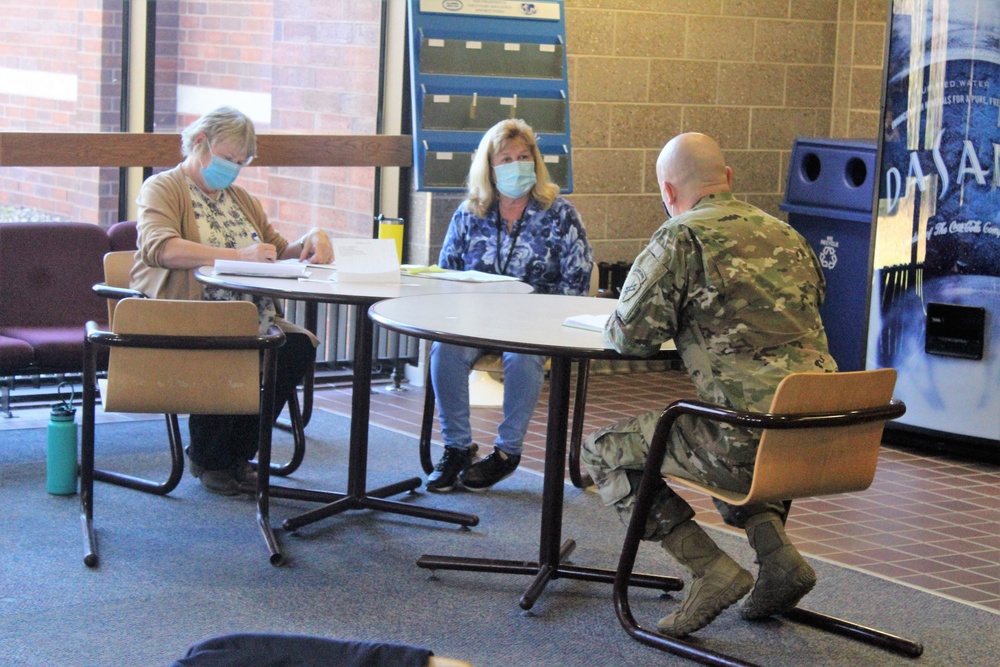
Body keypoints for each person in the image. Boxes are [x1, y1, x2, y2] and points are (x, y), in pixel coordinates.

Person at [581, 133, 837, 637]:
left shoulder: (680, 236)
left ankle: (710, 570)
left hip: (745, 437)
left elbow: (629, 339)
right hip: (819, 434)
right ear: (729, 179)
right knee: (719, 423)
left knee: (601, 452)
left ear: (668, 193)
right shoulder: (790, 236)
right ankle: (778, 557)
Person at [131, 106, 333, 496]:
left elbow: (277, 250)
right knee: (230, 345)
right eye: (227, 159)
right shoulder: (163, 188)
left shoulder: (239, 198)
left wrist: (312, 237)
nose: (233, 169)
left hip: (248, 319)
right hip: (189, 316)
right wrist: (238, 256)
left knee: (296, 347)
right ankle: (210, 458)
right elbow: (160, 248)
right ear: (201, 143)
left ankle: (236, 454)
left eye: (240, 162)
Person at [426, 118, 593, 493]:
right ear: (489, 167)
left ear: (536, 162)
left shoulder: (560, 214)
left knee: (522, 357)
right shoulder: (470, 213)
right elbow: (445, 275)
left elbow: (577, 280)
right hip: (476, 321)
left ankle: (507, 452)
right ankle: (456, 447)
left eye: (523, 156)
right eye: (506, 159)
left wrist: (550, 320)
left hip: (532, 325)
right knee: (445, 351)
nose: (516, 165)